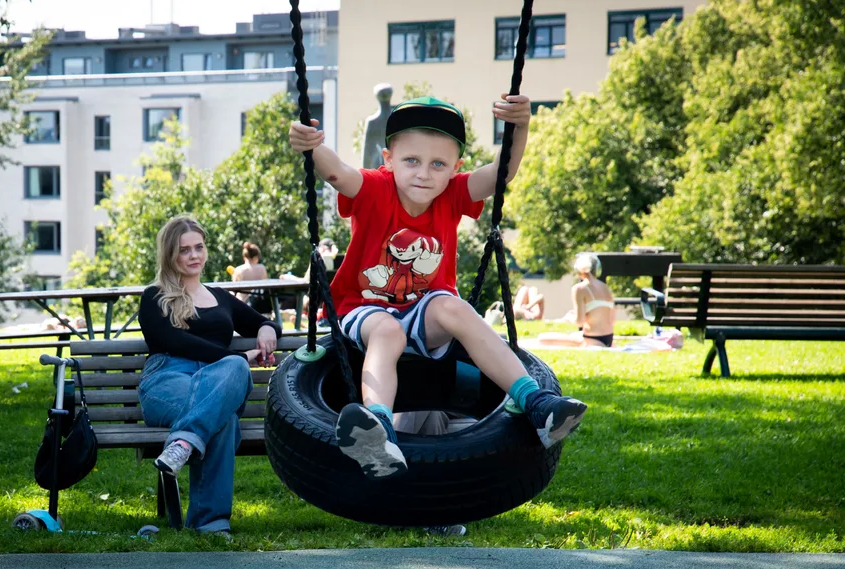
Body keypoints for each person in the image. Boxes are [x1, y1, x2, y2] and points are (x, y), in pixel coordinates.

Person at [288, 94, 588, 480]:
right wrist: (314, 147)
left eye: (438, 164)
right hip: (362, 307)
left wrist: (522, 125)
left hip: (425, 308)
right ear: (388, 160)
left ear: (454, 169)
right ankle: (376, 427)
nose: (424, 173)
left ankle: (537, 403)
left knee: (457, 309)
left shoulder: (452, 194)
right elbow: (339, 174)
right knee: (387, 331)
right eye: (411, 160)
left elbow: (502, 173)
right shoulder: (374, 188)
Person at [138, 215, 282, 536]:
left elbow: (264, 321)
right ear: (170, 255)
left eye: (198, 247)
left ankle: (183, 443)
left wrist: (266, 331)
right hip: (168, 379)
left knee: (233, 375)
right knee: (225, 413)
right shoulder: (154, 296)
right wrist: (236, 356)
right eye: (184, 250)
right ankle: (211, 522)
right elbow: (172, 341)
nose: (194, 256)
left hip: (220, 381)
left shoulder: (219, 296)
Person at [537, 253, 617, 348]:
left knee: (542, 338)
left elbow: (579, 321)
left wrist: (569, 318)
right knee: (573, 335)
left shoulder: (579, 289)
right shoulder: (604, 287)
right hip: (609, 338)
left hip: (591, 340)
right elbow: (612, 319)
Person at [232, 241, 271, 313]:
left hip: (242, 304)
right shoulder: (262, 268)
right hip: (259, 305)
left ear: (244, 257)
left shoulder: (238, 270)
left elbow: (234, 290)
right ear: (256, 257)